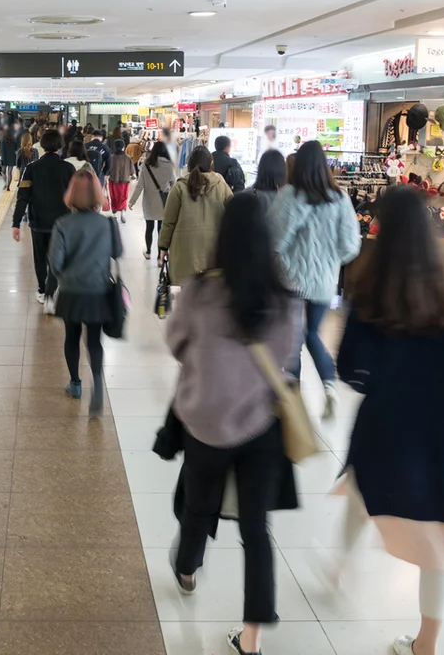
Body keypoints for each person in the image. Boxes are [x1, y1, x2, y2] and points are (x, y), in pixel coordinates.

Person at [328, 185, 444, 655]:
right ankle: (426, 644)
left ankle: (338, 565)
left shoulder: (371, 289)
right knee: (439, 537)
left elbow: (350, 370)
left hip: (387, 422)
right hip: (441, 429)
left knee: (363, 490)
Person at [167, 193, 302, 655]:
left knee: (198, 506)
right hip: (261, 425)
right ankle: (251, 640)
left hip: (205, 423)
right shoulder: (284, 298)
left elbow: (175, 343)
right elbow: (287, 359)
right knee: (256, 530)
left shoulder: (199, 290)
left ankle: (187, 569)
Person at [268, 140, 360, 417]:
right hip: (323, 282)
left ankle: (293, 402)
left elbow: (274, 240)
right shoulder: (340, 198)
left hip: (291, 280)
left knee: (292, 342)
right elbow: (350, 245)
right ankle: (329, 387)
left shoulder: (289, 195)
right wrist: (330, 261)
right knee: (313, 335)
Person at [49, 170, 122, 417]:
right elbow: (117, 252)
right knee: (94, 341)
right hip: (98, 290)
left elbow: (55, 264)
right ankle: (98, 384)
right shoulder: (107, 224)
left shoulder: (62, 224)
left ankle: (76, 385)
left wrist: (66, 277)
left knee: (72, 337)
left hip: (71, 292)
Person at [12, 129, 76, 303]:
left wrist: (16, 223)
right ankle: (53, 290)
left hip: (38, 222)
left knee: (40, 258)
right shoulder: (68, 169)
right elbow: (75, 198)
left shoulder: (32, 168)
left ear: (42, 145)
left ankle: (42, 290)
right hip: (63, 223)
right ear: (60, 145)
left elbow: (22, 197)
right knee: (58, 256)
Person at [159, 146, 232, 285]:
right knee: (210, 291)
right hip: (214, 250)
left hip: (184, 250)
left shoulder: (179, 187)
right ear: (211, 164)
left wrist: (163, 247)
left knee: (183, 292)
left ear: (190, 164)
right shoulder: (222, 186)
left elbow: (169, 221)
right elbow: (233, 214)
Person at [129, 141, 177, 259]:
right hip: (164, 202)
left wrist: (132, 201)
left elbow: (140, 185)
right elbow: (174, 185)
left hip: (149, 201)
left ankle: (148, 252)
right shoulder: (169, 166)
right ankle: (160, 256)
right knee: (161, 230)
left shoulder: (146, 165)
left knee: (149, 228)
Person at [107, 138, 134, 224]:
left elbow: (107, 170)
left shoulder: (111, 157)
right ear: (123, 147)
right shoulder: (128, 158)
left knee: (114, 197)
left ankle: (114, 215)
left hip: (113, 181)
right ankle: (123, 212)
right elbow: (132, 172)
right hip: (124, 181)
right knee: (123, 197)